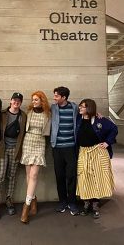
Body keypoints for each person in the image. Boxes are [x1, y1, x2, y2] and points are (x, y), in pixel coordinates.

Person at [76, 98, 118, 219]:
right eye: (80, 106)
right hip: (83, 152)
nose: (80, 108)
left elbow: (114, 129)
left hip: (97, 153)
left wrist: (107, 142)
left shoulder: (100, 120)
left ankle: (95, 206)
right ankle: (86, 204)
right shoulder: (78, 119)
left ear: (89, 108)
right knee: (84, 178)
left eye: (82, 107)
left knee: (96, 179)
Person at [0, 92, 27, 221]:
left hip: (15, 150)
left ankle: (9, 199)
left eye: (19, 101)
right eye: (14, 100)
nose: (16, 102)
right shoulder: (2, 114)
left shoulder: (23, 116)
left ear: (21, 103)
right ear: (10, 101)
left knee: (11, 176)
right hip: (1, 150)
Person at [20, 91, 51, 224]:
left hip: (40, 143)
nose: (34, 101)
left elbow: (49, 131)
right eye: (33, 99)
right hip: (28, 142)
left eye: (36, 99)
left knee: (33, 176)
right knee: (28, 175)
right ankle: (33, 199)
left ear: (42, 100)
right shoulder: (29, 112)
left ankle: (25, 207)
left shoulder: (47, 114)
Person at [50, 86, 79, 216]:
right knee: (59, 175)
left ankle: (72, 202)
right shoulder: (53, 108)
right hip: (57, 148)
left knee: (71, 176)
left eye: (56, 96)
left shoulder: (74, 107)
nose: (54, 98)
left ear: (64, 97)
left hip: (71, 148)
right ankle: (62, 201)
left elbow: (86, 112)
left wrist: (96, 114)